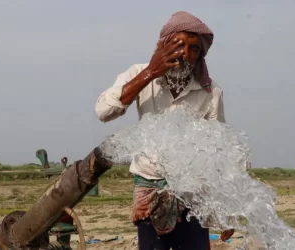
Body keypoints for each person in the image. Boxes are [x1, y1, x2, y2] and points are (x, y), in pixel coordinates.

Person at [95, 11, 232, 250]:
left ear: (201, 55)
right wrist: (150, 72)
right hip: (150, 191)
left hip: (193, 195)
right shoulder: (139, 73)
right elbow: (104, 111)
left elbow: (216, 153)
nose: (185, 55)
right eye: (178, 45)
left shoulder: (211, 93)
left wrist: (224, 211)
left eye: (194, 49)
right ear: (164, 45)